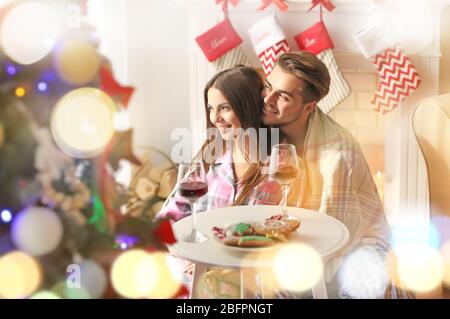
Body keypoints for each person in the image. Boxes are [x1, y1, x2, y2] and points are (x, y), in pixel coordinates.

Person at [259, 51, 413, 298]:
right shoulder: (263, 130)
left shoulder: (339, 152)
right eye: (268, 86)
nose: (269, 98)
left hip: (355, 245)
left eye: (284, 96)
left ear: (310, 106)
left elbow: (336, 233)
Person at [157, 66, 280, 298]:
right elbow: (172, 212)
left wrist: (214, 263)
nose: (215, 118)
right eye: (211, 109)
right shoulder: (209, 156)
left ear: (247, 107)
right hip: (189, 265)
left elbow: (269, 241)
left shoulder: (274, 171)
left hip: (240, 280)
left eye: (224, 108)